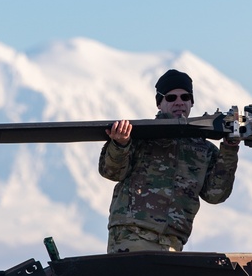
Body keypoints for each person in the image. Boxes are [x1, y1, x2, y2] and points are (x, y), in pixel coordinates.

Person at [98, 68, 240, 253]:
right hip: (132, 236)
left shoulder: (203, 149)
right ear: (160, 103)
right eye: (171, 98)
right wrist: (120, 144)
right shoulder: (140, 137)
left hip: (172, 242)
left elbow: (215, 194)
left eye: (185, 97)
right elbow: (111, 172)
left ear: (191, 102)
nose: (179, 102)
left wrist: (229, 149)